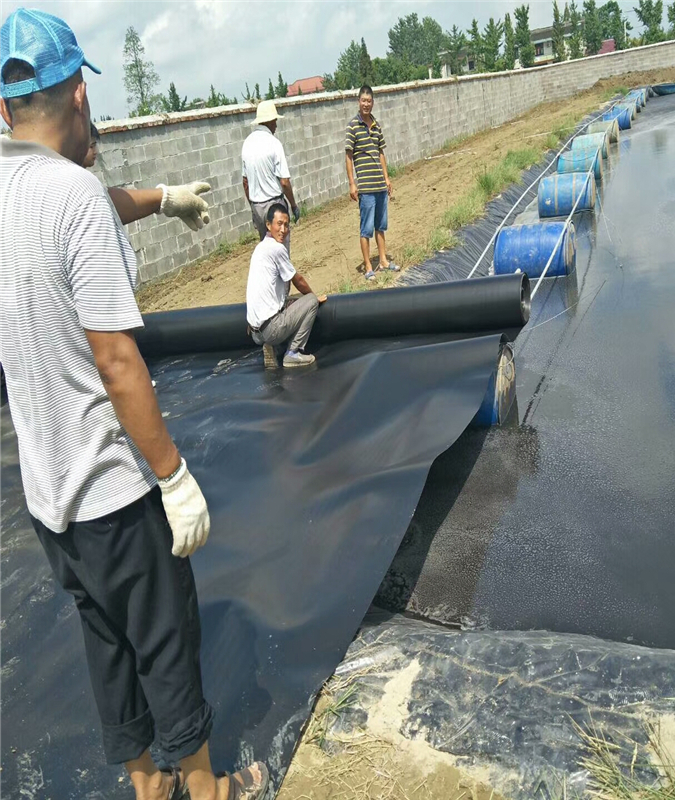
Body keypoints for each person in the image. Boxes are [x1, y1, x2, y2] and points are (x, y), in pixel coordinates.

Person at [0, 9, 270, 800]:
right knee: (166, 644)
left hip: (52, 505)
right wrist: (173, 475)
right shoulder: (71, 195)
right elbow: (118, 362)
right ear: (80, 93)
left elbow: (71, 206)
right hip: (114, 496)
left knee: (107, 650)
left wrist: (161, 198)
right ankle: (211, 790)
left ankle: (149, 790)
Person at [80, 120, 212, 232]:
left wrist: (167, 196)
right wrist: (167, 197)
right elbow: (105, 205)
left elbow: (110, 203)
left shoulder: (85, 182)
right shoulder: (79, 189)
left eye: (95, 145)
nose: (96, 151)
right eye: (91, 146)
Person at [246, 203, 326, 368]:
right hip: (270, 329)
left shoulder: (260, 248)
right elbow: (298, 280)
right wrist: (315, 298)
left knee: (294, 300)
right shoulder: (277, 249)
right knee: (309, 301)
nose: (283, 230)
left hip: (255, 332)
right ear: (268, 225)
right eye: (279, 224)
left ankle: (272, 347)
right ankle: (293, 353)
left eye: (286, 225)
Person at [345, 85, 399, 281]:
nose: (366, 104)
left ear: (373, 103)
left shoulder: (376, 124)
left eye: (369, 101)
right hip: (366, 188)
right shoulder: (353, 126)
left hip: (379, 186)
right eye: (363, 101)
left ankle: (383, 260)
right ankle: (368, 266)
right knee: (366, 228)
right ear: (359, 102)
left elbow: (381, 152)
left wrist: (387, 178)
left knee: (380, 225)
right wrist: (352, 183)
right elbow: (349, 157)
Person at [241, 99, 300, 250]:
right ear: (270, 121)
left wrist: (254, 207)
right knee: (281, 249)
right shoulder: (274, 143)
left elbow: (245, 183)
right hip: (275, 205)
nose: (276, 125)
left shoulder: (247, 144)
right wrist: (293, 205)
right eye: (274, 121)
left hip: (257, 207)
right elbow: (285, 182)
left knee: (267, 251)